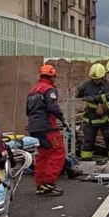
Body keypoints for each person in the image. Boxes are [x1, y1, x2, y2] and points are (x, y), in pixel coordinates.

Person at [26, 64, 68, 196]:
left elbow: (27, 111)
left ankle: (41, 184)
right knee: (58, 152)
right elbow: (52, 107)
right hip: (47, 127)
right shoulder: (49, 89)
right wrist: (62, 119)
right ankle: (49, 183)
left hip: (34, 127)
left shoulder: (32, 90)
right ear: (53, 76)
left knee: (43, 154)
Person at [76, 63, 109, 161]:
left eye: (98, 78)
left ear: (103, 77)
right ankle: (86, 160)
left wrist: (104, 109)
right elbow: (78, 93)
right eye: (93, 79)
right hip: (91, 118)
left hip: (106, 119)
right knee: (88, 140)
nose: (96, 80)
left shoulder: (108, 86)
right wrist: (75, 92)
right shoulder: (87, 85)